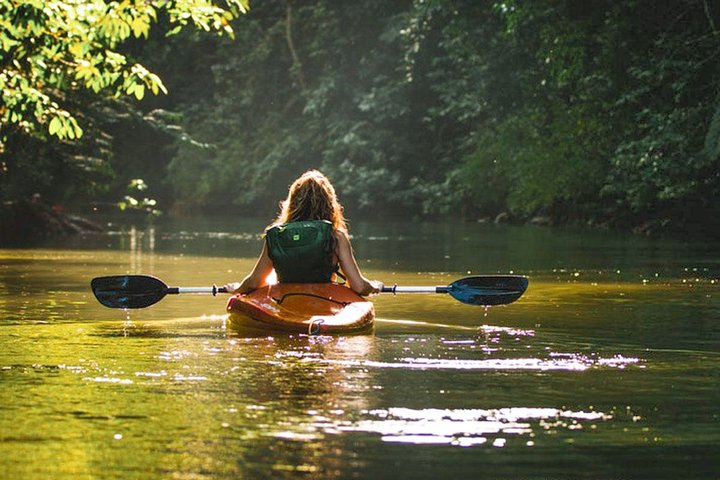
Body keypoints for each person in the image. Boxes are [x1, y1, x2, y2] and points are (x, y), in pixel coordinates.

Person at [224, 170, 382, 296]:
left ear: (292, 202)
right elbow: (359, 286)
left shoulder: (277, 235)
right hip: (324, 301)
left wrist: (238, 289)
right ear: (329, 203)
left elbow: (254, 282)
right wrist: (374, 286)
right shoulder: (336, 237)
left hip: (285, 301)